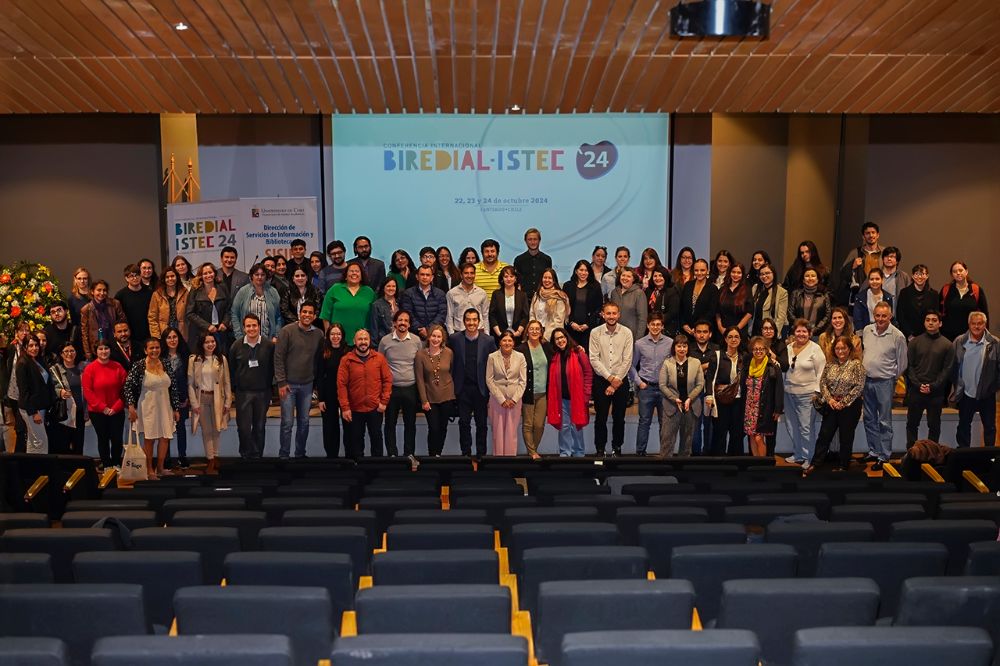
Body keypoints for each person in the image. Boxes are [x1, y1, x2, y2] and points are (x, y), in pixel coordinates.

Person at [124, 337, 181, 479]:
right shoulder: (139, 366)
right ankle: (149, 470)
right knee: (149, 439)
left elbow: (173, 387)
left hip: (165, 406)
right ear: (145, 350)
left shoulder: (166, 363)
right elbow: (128, 386)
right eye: (151, 348)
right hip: (147, 407)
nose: (155, 350)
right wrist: (131, 406)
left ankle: (160, 468)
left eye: (157, 347)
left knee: (165, 437)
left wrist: (176, 408)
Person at [861, 301, 908, 469]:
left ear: (890, 316)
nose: (880, 319)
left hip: (885, 383)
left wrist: (892, 378)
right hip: (867, 381)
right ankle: (873, 451)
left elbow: (902, 363)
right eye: (877, 315)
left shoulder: (898, 336)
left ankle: (884, 455)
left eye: (884, 316)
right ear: (874, 315)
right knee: (869, 418)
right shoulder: (867, 330)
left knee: (884, 421)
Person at [274, 302, 324, 459]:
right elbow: (278, 358)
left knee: (304, 422)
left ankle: (300, 454)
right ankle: (284, 455)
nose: (307, 315)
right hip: (288, 385)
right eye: (304, 312)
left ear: (315, 316)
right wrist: (281, 382)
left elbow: (319, 361)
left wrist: (316, 385)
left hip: (307, 385)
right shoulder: (286, 331)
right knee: (287, 423)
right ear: (299, 313)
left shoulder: (319, 335)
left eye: (310, 313)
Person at [812, 335, 866, 472]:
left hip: (850, 407)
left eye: (843, 348)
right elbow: (823, 382)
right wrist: (829, 399)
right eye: (837, 348)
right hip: (831, 405)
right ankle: (816, 463)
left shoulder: (856, 364)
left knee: (846, 437)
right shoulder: (830, 364)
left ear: (849, 349)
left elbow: (859, 386)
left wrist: (843, 402)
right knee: (824, 435)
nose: (840, 351)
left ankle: (843, 465)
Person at [338, 329, 392, 459]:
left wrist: (384, 402)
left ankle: (377, 471)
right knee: (356, 442)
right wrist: (345, 408)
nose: (363, 342)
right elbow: (341, 385)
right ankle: (359, 472)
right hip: (355, 409)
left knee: (377, 439)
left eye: (365, 339)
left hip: (375, 408)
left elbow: (387, 380)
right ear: (354, 341)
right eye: (360, 339)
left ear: (369, 341)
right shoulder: (346, 360)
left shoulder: (379, 358)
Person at [449, 309, 497, 458]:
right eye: (468, 320)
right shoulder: (455, 339)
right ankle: (466, 454)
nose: (471, 323)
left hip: (481, 389)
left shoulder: (488, 341)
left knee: (481, 424)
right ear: (464, 322)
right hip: (462, 389)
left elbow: (494, 363)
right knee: (464, 423)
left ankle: (481, 454)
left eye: (474, 320)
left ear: (479, 321)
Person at [589, 301, 633, 456]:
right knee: (600, 418)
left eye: (614, 313)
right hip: (602, 380)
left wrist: (615, 383)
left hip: (621, 380)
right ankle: (600, 449)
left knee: (619, 417)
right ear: (603, 314)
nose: (611, 316)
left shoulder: (627, 333)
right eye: (608, 313)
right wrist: (609, 378)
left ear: (619, 314)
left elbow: (627, 360)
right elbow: (594, 359)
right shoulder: (595, 332)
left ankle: (617, 448)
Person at [905, 311, 954, 448]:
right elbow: (909, 366)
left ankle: (932, 453)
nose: (931, 322)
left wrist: (932, 386)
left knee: (934, 426)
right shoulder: (915, 342)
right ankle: (912, 453)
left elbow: (947, 370)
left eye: (934, 320)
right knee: (912, 424)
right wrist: (918, 385)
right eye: (928, 320)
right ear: (924, 322)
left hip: (936, 393)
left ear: (940, 323)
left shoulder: (947, 345)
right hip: (916, 391)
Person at [228, 314, 274, 460]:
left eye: (254, 325)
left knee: (259, 427)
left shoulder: (268, 346)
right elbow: (231, 368)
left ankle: (257, 456)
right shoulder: (236, 346)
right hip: (243, 393)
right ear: (243, 328)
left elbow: (273, 368)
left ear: (259, 326)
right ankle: (246, 456)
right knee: (244, 428)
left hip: (263, 392)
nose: (251, 328)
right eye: (248, 326)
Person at [950, 311, 998, 448]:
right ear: (969, 324)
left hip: (987, 394)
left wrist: (993, 387)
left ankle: (990, 458)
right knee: (963, 426)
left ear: (985, 324)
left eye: (980, 324)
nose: (976, 327)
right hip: (966, 393)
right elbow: (952, 366)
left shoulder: (994, 343)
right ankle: (964, 456)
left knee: (990, 427)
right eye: (973, 324)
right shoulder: (959, 342)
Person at [378, 311, 422, 462]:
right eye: (400, 320)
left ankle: (409, 454)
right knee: (390, 423)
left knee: (410, 424)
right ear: (395, 323)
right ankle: (392, 454)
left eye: (406, 321)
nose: (403, 323)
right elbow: (380, 365)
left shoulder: (416, 341)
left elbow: (420, 365)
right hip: (391, 389)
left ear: (409, 324)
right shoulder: (385, 341)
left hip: (410, 388)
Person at [782, 320, 825, 468]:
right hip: (788, 393)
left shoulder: (815, 349)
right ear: (794, 333)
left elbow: (821, 372)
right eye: (798, 331)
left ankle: (809, 457)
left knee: (806, 428)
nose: (801, 334)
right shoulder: (787, 348)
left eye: (804, 331)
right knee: (791, 425)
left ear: (810, 334)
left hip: (808, 394)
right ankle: (798, 454)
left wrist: (817, 392)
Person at [188, 333, 232, 474]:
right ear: (202, 344)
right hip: (202, 399)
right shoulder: (194, 360)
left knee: (217, 429)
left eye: (212, 341)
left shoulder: (221, 359)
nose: (210, 344)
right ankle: (210, 460)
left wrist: (228, 402)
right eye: (207, 342)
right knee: (207, 431)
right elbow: (190, 384)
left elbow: (227, 382)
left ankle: (215, 456)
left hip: (217, 398)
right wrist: (194, 404)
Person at [630, 314, 673, 456]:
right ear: (648, 325)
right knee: (644, 422)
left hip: (664, 389)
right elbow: (631, 366)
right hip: (646, 387)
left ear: (662, 326)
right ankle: (640, 453)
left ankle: (665, 453)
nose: (655, 327)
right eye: (652, 324)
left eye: (658, 324)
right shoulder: (639, 343)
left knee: (665, 423)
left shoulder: (670, 343)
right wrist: (639, 382)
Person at [545, 327, 592, 457]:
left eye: (562, 337)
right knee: (564, 427)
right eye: (557, 339)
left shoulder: (578, 353)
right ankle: (565, 452)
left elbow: (588, 373)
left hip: (577, 398)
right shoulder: (554, 356)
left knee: (576, 426)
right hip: (561, 399)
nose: (560, 340)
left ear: (567, 337)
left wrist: (586, 394)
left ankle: (578, 452)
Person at [82, 341, 127, 468]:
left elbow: (125, 390)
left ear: (110, 350)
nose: (103, 351)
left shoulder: (118, 367)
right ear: (96, 351)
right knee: (103, 439)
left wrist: (115, 407)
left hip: (116, 410)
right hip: (97, 412)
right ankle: (106, 465)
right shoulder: (90, 369)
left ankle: (116, 463)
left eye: (106, 348)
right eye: (100, 349)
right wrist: (103, 408)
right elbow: (88, 391)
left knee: (117, 439)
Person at [658, 334, 704, 457]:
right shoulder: (667, 363)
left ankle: (683, 471)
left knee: (687, 442)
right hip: (672, 406)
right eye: (679, 346)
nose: (682, 349)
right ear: (674, 347)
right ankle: (665, 471)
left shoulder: (696, 362)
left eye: (684, 346)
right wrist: (675, 399)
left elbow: (700, 384)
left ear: (688, 348)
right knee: (667, 440)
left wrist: (689, 399)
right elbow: (662, 385)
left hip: (691, 406)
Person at [415, 324, 454, 457]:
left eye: (438, 337)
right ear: (429, 337)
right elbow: (419, 379)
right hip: (430, 398)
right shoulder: (420, 355)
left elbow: (451, 372)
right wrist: (423, 400)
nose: (436, 339)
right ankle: (432, 456)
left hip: (447, 396)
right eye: (433, 336)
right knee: (434, 428)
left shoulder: (448, 352)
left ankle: (438, 455)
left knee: (443, 428)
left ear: (442, 339)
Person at [485, 330, 527, 456]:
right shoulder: (492, 357)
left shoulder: (520, 357)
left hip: (515, 401)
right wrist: (501, 399)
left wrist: (514, 399)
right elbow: (489, 380)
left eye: (510, 340)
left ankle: (510, 461)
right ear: (500, 342)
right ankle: (498, 460)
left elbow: (523, 381)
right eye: (504, 340)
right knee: (497, 432)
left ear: (513, 343)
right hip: (497, 400)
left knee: (511, 432)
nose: (507, 343)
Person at [707, 327, 747, 456]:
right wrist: (709, 396)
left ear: (740, 339)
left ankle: (734, 461)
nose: (733, 339)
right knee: (720, 431)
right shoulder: (717, 356)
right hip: (721, 400)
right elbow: (710, 378)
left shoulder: (744, 357)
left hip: (739, 400)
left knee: (737, 433)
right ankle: (718, 462)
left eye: (736, 337)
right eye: (730, 337)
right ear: (725, 339)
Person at [742, 336, 784, 459]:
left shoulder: (773, 367)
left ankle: (763, 464)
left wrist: (778, 409)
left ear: (766, 350)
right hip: (749, 408)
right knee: (751, 435)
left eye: (761, 349)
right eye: (755, 349)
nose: (758, 352)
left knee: (759, 437)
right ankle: (756, 462)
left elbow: (779, 389)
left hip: (764, 408)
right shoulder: (748, 366)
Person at [517, 321, 551, 460]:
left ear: (541, 332)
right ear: (527, 331)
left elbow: (563, 349)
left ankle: (533, 450)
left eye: (537, 329)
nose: (535, 331)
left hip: (543, 393)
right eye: (532, 329)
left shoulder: (547, 347)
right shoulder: (521, 349)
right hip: (528, 392)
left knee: (539, 425)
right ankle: (532, 453)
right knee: (528, 424)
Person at [320, 261, 376, 343]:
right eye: (351, 271)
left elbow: (374, 318)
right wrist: (328, 336)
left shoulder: (369, 292)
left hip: (361, 341)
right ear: (345, 275)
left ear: (361, 276)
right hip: (338, 341)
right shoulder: (334, 289)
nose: (354, 273)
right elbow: (325, 316)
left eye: (357, 271)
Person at [15, 335, 53, 454]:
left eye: (36, 345)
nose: (34, 348)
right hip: (30, 408)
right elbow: (24, 391)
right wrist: (34, 412)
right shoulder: (22, 363)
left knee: (34, 440)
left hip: (40, 406)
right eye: (31, 345)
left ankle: (31, 468)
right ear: (25, 347)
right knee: (41, 440)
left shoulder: (38, 360)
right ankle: (40, 468)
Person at [48, 342, 86, 455]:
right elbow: (49, 388)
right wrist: (59, 392)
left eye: (72, 351)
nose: (69, 354)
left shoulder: (82, 368)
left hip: (79, 412)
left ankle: (78, 469)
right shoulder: (55, 370)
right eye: (66, 351)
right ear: (61, 354)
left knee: (78, 443)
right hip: (64, 413)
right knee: (63, 444)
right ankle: (65, 470)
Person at [160, 326, 190, 468]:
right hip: (164, 399)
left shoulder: (186, 356)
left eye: (175, 337)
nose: (172, 340)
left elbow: (190, 379)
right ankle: (166, 458)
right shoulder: (159, 358)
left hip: (182, 399)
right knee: (165, 429)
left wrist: (187, 398)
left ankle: (182, 456)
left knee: (181, 428)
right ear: (164, 340)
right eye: (169, 337)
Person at [836, 220, 884, 306]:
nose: (871, 235)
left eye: (873, 232)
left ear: (878, 235)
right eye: (867, 233)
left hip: (880, 294)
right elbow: (842, 273)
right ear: (863, 236)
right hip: (860, 295)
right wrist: (852, 266)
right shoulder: (855, 253)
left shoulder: (884, 252)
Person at [689, 320, 718, 455]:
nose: (701, 335)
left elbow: (719, 370)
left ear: (710, 334)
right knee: (694, 426)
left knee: (710, 426)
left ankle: (708, 455)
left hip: (711, 392)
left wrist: (698, 367)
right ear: (694, 333)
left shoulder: (717, 350)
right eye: (699, 332)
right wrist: (707, 366)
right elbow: (687, 370)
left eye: (705, 332)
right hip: (694, 393)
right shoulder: (687, 349)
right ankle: (696, 456)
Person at [186, 263, 232, 349]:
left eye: (210, 272)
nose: (208, 275)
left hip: (220, 333)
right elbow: (190, 313)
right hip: (201, 334)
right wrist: (207, 326)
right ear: (201, 276)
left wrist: (225, 322)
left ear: (214, 273)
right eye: (205, 273)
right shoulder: (195, 290)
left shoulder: (222, 287)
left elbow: (229, 308)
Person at [231, 264, 282, 341]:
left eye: (262, 275)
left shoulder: (273, 292)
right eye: (256, 274)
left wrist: (276, 336)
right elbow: (234, 314)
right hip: (246, 339)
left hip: (268, 339)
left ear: (266, 276)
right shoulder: (243, 292)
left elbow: (278, 316)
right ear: (251, 276)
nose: (259, 277)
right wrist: (239, 336)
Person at [940, 261, 989, 341]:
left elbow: (985, 313)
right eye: (955, 271)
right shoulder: (946, 290)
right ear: (952, 274)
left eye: (960, 270)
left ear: (966, 271)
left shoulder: (976, 289)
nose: (958, 273)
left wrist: (985, 335)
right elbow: (939, 312)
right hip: (948, 337)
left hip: (971, 336)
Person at [80, 280, 125, 360]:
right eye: (99, 290)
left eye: (104, 290)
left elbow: (123, 322)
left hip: (115, 344)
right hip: (97, 347)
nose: (102, 293)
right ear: (92, 292)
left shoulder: (115, 304)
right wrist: (87, 352)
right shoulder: (86, 309)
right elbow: (85, 333)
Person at [400, 265, 448, 340]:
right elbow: (408, 314)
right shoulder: (408, 293)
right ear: (417, 277)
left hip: (435, 335)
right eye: (422, 274)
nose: (425, 277)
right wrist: (421, 330)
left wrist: (429, 330)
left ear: (432, 278)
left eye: (427, 275)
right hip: (414, 335)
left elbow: (442, 314)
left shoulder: (440, 294)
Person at [563, 259, 603, 349]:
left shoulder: (595, 286)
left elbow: (599, 307)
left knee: (585, 356)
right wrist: (571, 322)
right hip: (571, 328)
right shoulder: (567, 286)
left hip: (589, 328)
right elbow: (564, 307)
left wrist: (588, 324)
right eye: (581, 270)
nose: (583, 273)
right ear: (576, 271)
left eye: (586, 270)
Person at [896, 264, 939, 340]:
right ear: (912, 276)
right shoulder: (904, 293)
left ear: (927, 276)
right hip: (908, 336)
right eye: (916, 274)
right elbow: (900, 315)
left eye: (922, 274)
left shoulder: (934, 294)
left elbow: (936, 315)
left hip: (928, 335)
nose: (919, 277)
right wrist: (909, 334)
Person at [488, 266, 529, 344]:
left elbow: (525, 316)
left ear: (515, 278)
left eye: (511, 276)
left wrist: (518, 332)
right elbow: (492, 315)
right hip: (499, 335)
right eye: (506, 276)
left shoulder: (522, 295)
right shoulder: (496, 294)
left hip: (517, 336)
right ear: (502, 279)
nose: (509, 279)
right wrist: (499, 333)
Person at [679, 259, 719, 338]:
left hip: (703, 332)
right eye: (696, 270)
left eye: (702, 270)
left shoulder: (712, 288)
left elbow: (712, 311)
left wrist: (698, 327)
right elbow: (681, 308)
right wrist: (683, 324)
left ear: (708, 271)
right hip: (687, 331)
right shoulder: (688, 286)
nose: (699, 273)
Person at [148, 267, 189, 342]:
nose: (170, 279)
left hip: (181, 330)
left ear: (177, 277)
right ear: (163, 279)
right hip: (163, 330)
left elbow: (190, 314)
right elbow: (152, 318)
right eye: (167, 277)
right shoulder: (157, 294)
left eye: (172, 276)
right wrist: (156, 336)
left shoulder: (185, 293)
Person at [446, 262, 489, 335]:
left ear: (475, 275)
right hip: (459, 333)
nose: (469, 276)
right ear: (461, 275)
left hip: (479, 332)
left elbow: (485, 316)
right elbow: (449, 316)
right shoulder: (451, 293)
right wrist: (452, 335)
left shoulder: (482, 293)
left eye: (472, 273)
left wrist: (486, 334)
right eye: (466, 273)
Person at [115, 264, 153, 344]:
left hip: (148, 334)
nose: (135, 278)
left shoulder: (150, 293)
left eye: (137, 275)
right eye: (131, 276)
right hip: (129, 336)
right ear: (126, 278)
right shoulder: (120, 295)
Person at [787, 267, 831, 335]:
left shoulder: (824, 295)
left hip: (817, 334)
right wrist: (802, 328)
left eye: (813, 276)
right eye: (807, 276)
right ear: (803, 280)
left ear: (817, 279)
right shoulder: (795, 294)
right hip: (798, 333)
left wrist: (815, 329)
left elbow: (827, 316)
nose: (810, 278)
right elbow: (790, 313)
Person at [529, 268, 569, 341]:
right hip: (536, 333)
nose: (547, 280)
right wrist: (534, 331)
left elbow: (558, 320)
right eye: (545, 278)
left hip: (551, 335)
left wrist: (546, 337)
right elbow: (532, 314)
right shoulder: (537, 295)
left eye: (550, 278)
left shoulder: (559, 296)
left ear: (554, 281)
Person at [716, 262, 753, 340]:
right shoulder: (722, 289)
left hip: (739, 332)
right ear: (729, 273)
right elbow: (717, 312)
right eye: (733, 272)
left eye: (739, 272)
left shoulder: (747, 290)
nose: (736, 275)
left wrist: (735, 330)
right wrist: (720, 327)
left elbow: (749, 313)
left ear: (743, 274)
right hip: (723, 331)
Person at [610, 267, 647, 341]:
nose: (625, 278)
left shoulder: (639, 293)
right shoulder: (614, 293)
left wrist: (638, 339)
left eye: (628, 276)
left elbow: (642, 319)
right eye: (623, 275)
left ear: (633, 279)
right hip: (614, 336)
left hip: (632, 337)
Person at [750, 263, 788, 336]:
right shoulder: (755, 288)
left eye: (767, 273)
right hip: (755, 329)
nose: (764, 276)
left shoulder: (782, 292)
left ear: (773, 274)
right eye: (761, 274)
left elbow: (781, 318)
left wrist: (773, 334)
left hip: (770, 331)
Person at [513, 228, 552, 296]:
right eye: (530, 239)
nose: (532, 242)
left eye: (535, 239)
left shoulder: (547, 259)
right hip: (524, 299)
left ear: (539, 240)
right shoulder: (518, 260)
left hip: (542, 297)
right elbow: (516, 281)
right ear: (525, 241)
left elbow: (549, 279)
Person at [646, 266, 680, 337]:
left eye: (660, 276)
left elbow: (672, 312)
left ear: (665, 277)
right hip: (650, 329)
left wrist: (658, 322)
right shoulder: (648, 291)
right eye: (655, 276)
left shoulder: (672, 291)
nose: (657, 278)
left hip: (666, 330)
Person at [875, 247, 911, 312]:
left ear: (897, 261)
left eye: (892, 257)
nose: (889, 259)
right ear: (883, 259)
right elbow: (863, 294)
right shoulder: (875, 275)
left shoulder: (904, 277)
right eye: (886, 256)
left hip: (897, 317)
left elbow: (910, 298)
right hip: (876, 316)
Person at [369, 278, 400, 345]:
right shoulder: (376, 305)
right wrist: (375, 345)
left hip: (400, 341)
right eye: (388, 286)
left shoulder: (401, 303)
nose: (391, 288)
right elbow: (374, 327)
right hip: (383, 342)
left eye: (393, 286)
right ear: (383, 288)